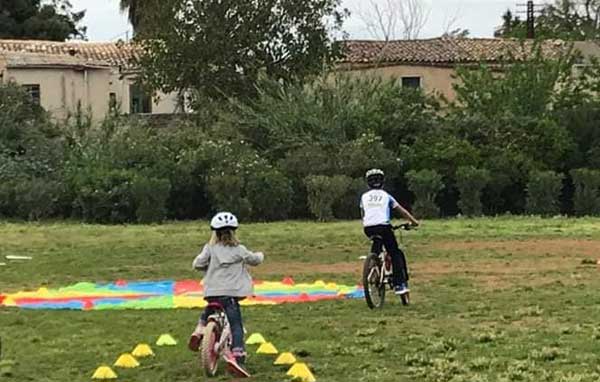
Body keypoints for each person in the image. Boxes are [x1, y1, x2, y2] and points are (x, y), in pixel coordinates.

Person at [187, 212, 264, 378]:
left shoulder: (210, 249)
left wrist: (206, 266)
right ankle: (238, 355)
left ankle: (199, 330)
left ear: (215, 233)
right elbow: (255, 260)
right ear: (233, 232)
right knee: (236, 325)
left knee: (209, 309)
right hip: (231, 295)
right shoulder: (239, 250)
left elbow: (197, 264)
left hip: (212, 293)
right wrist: (260, 255)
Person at [360, 169, 419, 296]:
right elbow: (401, 211)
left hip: (368, 227)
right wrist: (414, 222)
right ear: (383, 182)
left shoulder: (364, 197)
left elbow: (363, 213)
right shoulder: (386, 196)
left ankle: (372, 266)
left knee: (376, 244)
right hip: (383, 226)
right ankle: (399, 284)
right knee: (395, 252)